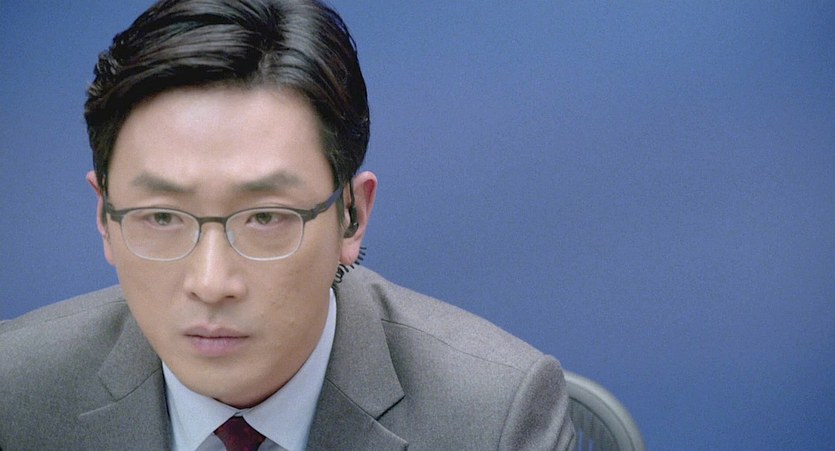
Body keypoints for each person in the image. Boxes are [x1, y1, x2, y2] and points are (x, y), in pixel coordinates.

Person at [0, 0, 575, 449]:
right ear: (104, 218)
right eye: (162, 217)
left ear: (352, 216)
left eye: (266, 216)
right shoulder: (15, 392)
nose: (211, 282)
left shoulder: (492, 417)